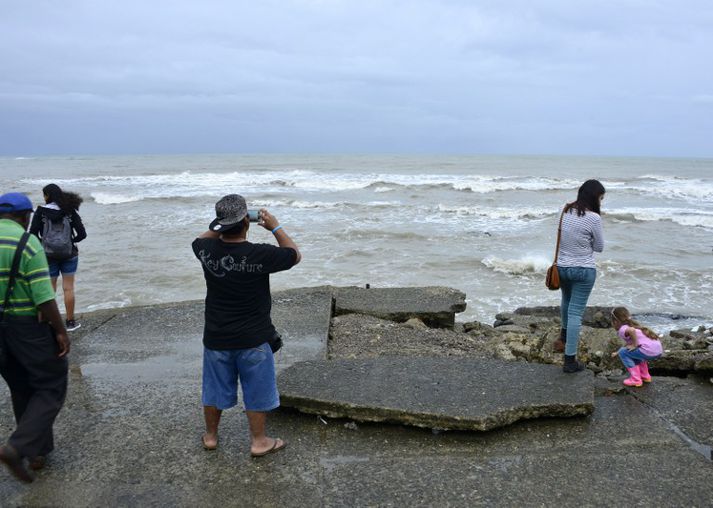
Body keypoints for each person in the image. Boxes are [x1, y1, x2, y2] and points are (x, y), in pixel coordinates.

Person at [192, 194, 301, 457]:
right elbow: (294, 255)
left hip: (216, 336)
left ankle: (211, 436)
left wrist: (220, 224)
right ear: (246, 222)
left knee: (214, 388)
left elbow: (200, 238)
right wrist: (274, 226)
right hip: (253, 337)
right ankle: (259, 441)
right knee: (257, 389)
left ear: (220, 225)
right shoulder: (260, 254)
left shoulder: (205, 249)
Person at [0, 193, 70, 483]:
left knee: (21, 386)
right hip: (26, 326)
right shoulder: (27, 243)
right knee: (51, 385)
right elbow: (43, 296)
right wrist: (60, 331)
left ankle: (37, 453)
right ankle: (17, 448)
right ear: (26, 216)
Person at [551, 179, 606, 373]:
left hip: (563, 268)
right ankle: (570, 360)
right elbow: (599, 247)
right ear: (594, 197)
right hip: (583, 270)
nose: (601, 202)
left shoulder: (566, 210)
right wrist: (586, 244)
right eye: (601, 198)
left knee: (566, 301)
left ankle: (563, 337)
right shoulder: (594, 218)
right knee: (576, 313)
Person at [29, 183, 86, 331]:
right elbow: (82, 233)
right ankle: (70, 322)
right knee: (68, 288)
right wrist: (70, 242)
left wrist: (43, 245)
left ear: (47, 196)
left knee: (49, 289)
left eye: (44, 195)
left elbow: (33, 233)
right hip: (69, 254)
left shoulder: (40, 212)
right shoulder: (69, 210)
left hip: (47, 256)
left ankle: (47, 322)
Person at [610, 307, 663, 387]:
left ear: (615, 322)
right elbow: (628, 345)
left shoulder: (623, 329)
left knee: (624, 353)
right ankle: (645, 376)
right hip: (658, 350)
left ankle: (636, 379)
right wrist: (617, 352)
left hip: (648, 351)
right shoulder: (633, 326)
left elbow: (631, 331)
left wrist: (635, 345)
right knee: (632, 352)